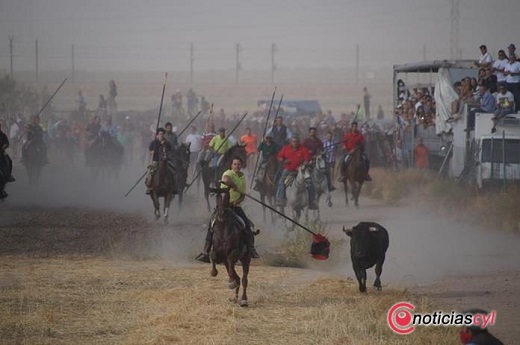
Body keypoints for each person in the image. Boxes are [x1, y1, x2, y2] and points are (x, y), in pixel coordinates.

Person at [196, 156, 260, 262]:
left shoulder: (242, 176)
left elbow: (243, 194)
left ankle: (251, 249)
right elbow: (226, 180)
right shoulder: (228, 173)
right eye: (235, 164)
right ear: (231, 165)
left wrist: (238, 201)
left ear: (241, 165)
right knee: (212, 225)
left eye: (239, 164)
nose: (237, 166)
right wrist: (233, 185)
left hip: (236, 207)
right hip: (224, 206)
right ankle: (206, 252)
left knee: (246, 225)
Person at [275, 135, 317, 209]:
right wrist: (284, 160)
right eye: (293, 141)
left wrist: (304, 163)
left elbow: (307, 159)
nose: (295, 143)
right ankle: (280, 199)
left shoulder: (303, 149)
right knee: (281, 181)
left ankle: (312, 201)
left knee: (310, 181)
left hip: (300, 170)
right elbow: (279, 156)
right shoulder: (286, 148)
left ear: (299, 142)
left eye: (297, 141)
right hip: (288, 169)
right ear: (291, 142)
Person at [304, 127, 334, 192]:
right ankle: (304, 185)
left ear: (316, 133)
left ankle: (329, 185)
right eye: (311, 132)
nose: (313, 133)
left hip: (317, 159)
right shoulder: (306, 141)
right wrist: (308, 152)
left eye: (314, 132)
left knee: (326, 169)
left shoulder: (319, 142)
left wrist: (317, 155)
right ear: (309, 133)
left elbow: (322, 150)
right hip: (307, 159)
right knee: (304, 170)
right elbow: (302, 150)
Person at [145, 128, 174, 195]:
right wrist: (152, 152)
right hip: (156, 161)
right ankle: (149, 187)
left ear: (164, 135)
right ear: (157, 135)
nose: (161, 135)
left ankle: (174, 186)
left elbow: (170, 151)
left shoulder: (167, 143)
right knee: (151, 172)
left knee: (173, 171)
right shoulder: (154, 142)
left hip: (166, 162)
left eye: (162, 134)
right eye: (160, 134)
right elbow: (149, 151)